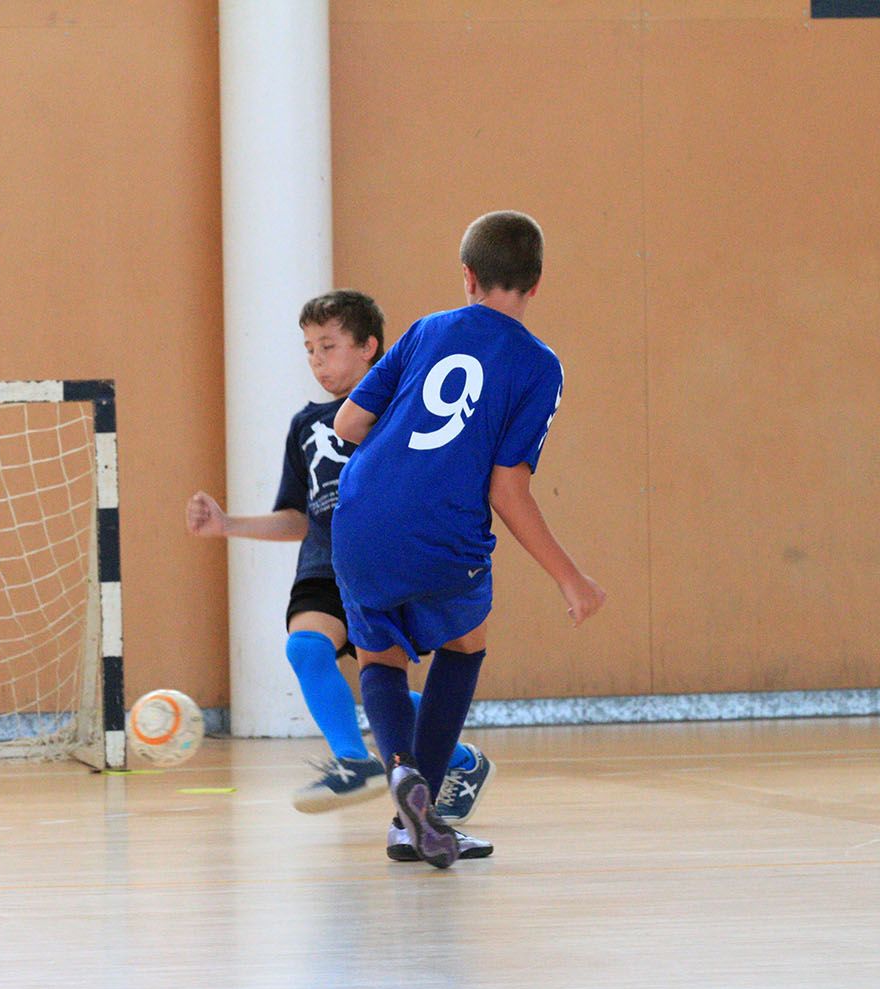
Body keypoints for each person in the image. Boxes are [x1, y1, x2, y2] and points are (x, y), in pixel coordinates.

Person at [332, 211, 606, 868]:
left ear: (468, 276)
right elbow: (507, 490)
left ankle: (402, 780)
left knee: (379, 658)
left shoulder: (428, 329)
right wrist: (570, 578)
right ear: (535, 284)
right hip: (442, 528)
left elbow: (347, 423)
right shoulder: (539, 366)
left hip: (360, 514)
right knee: (464, 644)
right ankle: (421, 805)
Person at [187, 290, 493, 816]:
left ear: (369, 346)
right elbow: (298, 517)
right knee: (306, 649)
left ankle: (460, 759)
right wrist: (227, 525)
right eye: (309, 349)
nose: (317, 360)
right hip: (326, 564)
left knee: (385, 686)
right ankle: (355, 762)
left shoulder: (403, 408)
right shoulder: (305, 425)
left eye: (328, 346)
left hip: (386, 561)